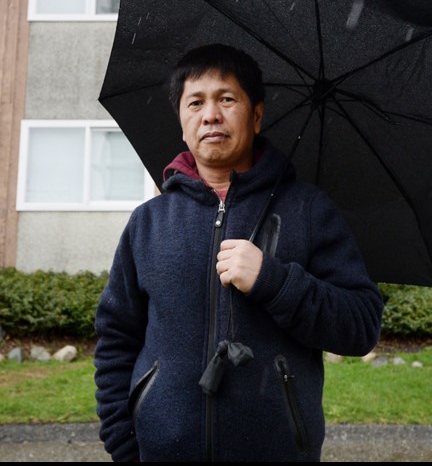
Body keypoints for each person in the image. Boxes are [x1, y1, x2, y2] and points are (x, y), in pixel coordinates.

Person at [93, 43, 385, 462]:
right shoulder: (149, 222)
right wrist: (125, 443)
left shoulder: (308, 210)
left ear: (257, 114)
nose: (210, 114)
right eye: (195, 102)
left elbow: (360, 326)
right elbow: (116, 338)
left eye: (227, 99)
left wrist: (274, 281)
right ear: (181, 122)